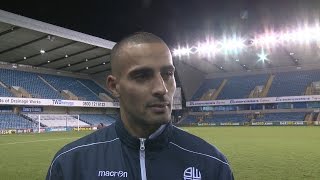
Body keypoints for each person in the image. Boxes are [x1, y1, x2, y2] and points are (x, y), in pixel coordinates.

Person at [46, 32, 234, 180]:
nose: (161, 88)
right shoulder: (71, 163)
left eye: (168, 74)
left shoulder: (212, 163)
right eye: (142, 76)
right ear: (114, 86)